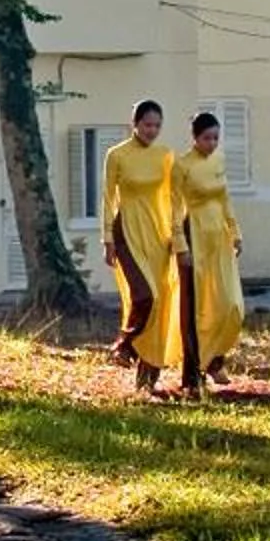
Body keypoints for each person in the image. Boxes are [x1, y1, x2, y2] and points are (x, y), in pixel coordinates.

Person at [101, 99, 176, 390]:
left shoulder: (165, 156)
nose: (152, 130)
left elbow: (174, 198)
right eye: (147, 124)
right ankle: (124, 344)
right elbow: (108, 199)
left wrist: (177, 236)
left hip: (158, 235)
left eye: (157, 125)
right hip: (127, 232)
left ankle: (147, 378)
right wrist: (107, 239)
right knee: (145, 296)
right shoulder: (116, 155)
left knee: (162, 302)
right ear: (135, 123)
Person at [169, 109, 245, 395]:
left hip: (219, 236)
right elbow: (174, 207)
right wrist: (180, 245)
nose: (212, 143)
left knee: (231, 305)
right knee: (196, 306)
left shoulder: (219, 160)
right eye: (206, 138)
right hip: (195, 233)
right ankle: (193, 375)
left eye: (216, 138)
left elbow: (225, 199)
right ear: (195, 138)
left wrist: (235, 232)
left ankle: (215, 358)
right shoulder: (182, 166)